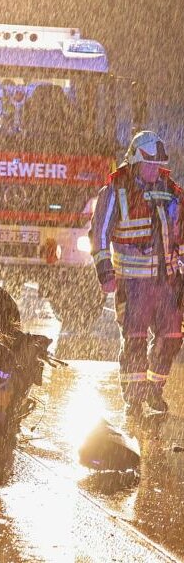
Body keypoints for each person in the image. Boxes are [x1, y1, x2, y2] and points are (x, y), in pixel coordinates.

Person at [89, 131, 184, 415]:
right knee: (135, 339)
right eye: (150, 165)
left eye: (159, 166)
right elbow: (99, 234)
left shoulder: (170, 192)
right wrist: (105, 271)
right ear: (135, 161)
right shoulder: (115, 191)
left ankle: (155, 388)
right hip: (132, 285)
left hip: (167, 283)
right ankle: (134, 396)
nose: (155, 171)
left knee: (172, 337)